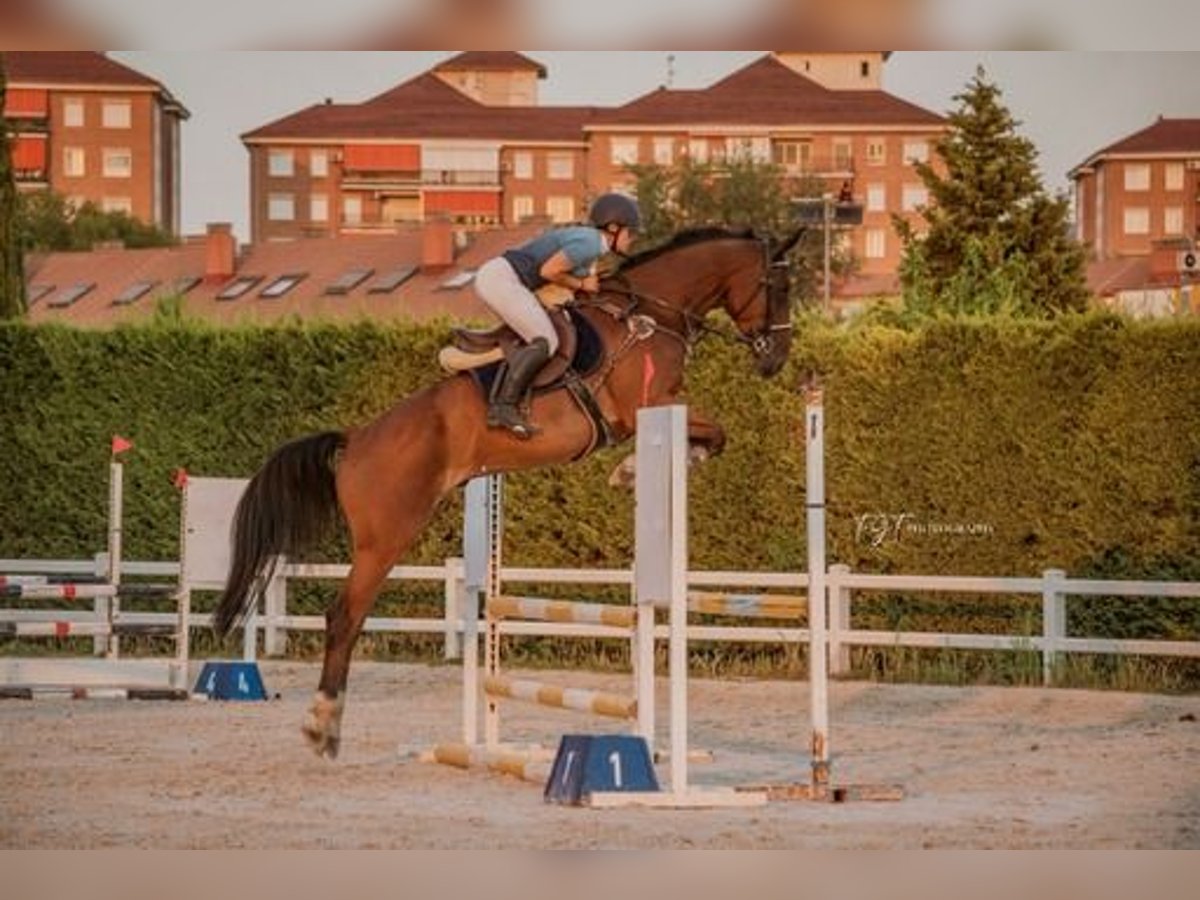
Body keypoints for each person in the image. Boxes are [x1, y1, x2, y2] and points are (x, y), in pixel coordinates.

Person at [472, 192, 641, 439]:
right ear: (613, 228)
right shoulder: (591, 242)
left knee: (544, 331)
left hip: (503, 278)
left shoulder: (590, 244)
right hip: (502, 280)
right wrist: (582, 285)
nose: (633, 240)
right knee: (546, 341)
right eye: (631, 233)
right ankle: (503, 406)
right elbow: (550, 270)